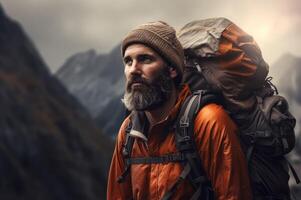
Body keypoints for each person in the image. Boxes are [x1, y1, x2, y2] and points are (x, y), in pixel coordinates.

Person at [107, 21, 252, 200]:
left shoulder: (208, 122)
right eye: (128, 61)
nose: (133, 70)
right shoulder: (129, 132)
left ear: (172, 69)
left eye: (145, 59)